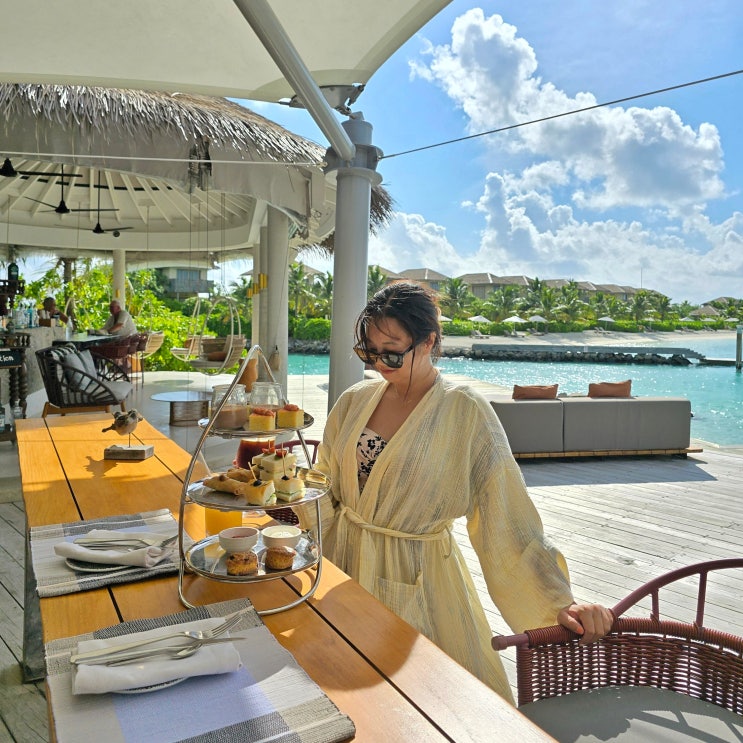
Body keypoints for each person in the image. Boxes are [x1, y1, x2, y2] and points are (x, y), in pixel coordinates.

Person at [302, 282, 613, 702]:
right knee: (346, 696)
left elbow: (507, 519)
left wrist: (557, 603)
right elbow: (323, 480)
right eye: (368, 352)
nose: (378, 364)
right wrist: (283, 489)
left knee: (429, 703)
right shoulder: (355, 400)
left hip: (417, 578)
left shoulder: (464, 410)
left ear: (429, 342)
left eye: (391, 352)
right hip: (345, 566)